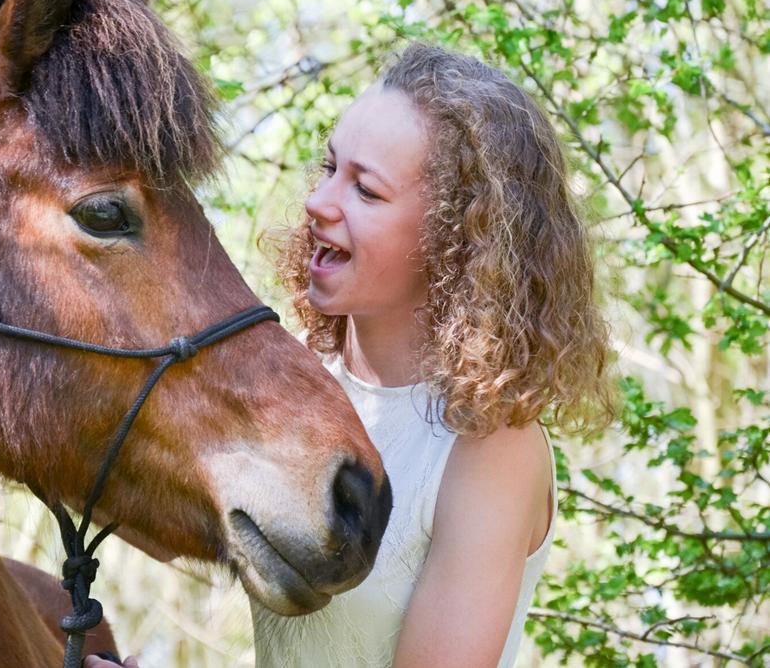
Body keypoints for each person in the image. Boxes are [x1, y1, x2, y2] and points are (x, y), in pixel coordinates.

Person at [89, 42, 615, 667]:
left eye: (365, 190)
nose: (318, 202)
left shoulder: (490, 448)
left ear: (454, 238)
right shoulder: (308, 397)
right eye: (330, 167)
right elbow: (153, 519)